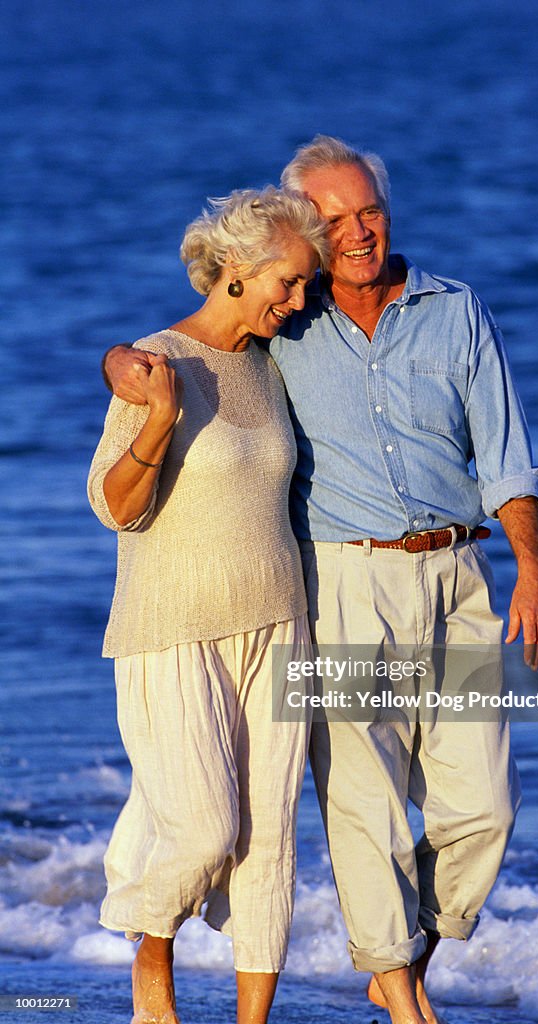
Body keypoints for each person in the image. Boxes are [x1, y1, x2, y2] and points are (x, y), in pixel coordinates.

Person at [104, 137, 538, 1024]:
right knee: (362, 808)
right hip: (340, 588)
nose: (357, 234)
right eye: (335, 221)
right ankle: (399, 992)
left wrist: (532, 572)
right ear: (302, 239)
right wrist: (118, 364)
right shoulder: (288, 323)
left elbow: (508, 458)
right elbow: (189, 344)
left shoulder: (455, 311)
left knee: (485, 809)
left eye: (370, 212)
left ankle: (402, 954)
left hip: (455, 579)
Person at [88, 186, 329, 1024]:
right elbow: (114, 506)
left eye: (305, 286)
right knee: (202, 832)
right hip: (171, 626)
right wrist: (156, 415)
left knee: (268, 844)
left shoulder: (271, 364)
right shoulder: (156, 360)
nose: (299, 302)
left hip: (278, 621)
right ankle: (150, 955)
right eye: (289, 284)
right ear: (238, 270)